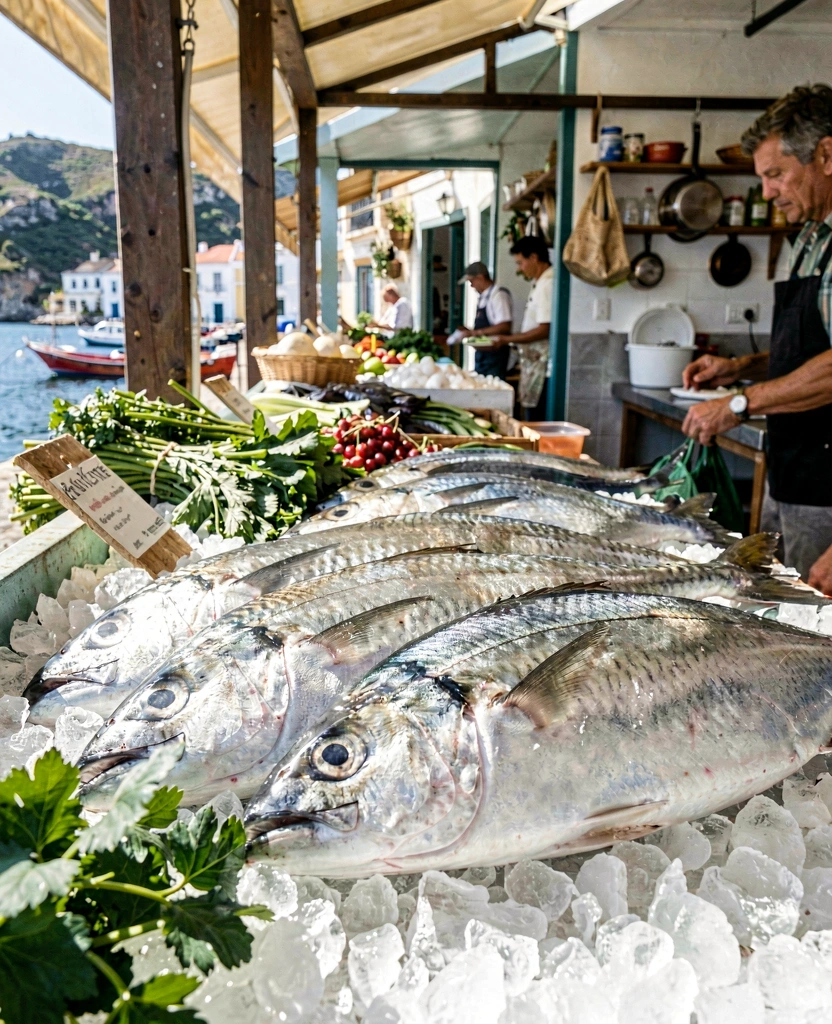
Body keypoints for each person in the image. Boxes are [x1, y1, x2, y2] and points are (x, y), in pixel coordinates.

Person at [681, 84, 832, 593]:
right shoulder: (813, 236)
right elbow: (812, 350)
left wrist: (741, 403)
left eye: (775, 174)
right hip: (794, 470)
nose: (767, 192)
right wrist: (740, 367)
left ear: (826, 155)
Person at [480, 236, 553, 418]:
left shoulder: (548, 284)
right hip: (531, 362)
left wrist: (507, 339)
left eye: (521, 263)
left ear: (534, 258)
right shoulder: (540, 282)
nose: (519, 268)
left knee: (537, 416)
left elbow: (545, 329)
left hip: (541, 364)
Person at [455, 261, 513, 379]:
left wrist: (475, 333)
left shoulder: (498, 295)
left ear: (480, 278)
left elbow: (504, 326)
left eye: (472, 281)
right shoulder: (484, 297)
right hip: (483, 354)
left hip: (495, 355)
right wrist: (469, 331)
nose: (472, 286)